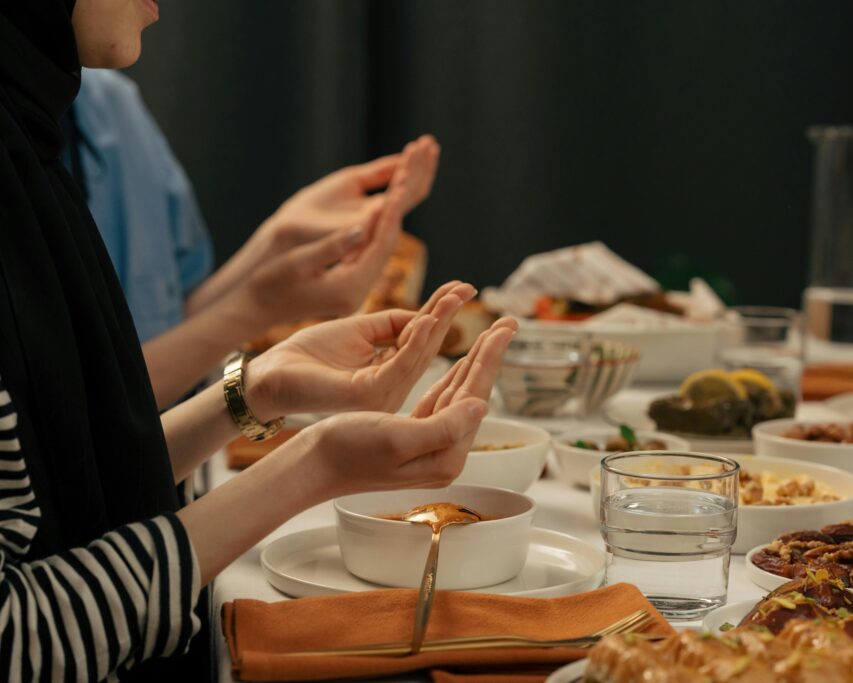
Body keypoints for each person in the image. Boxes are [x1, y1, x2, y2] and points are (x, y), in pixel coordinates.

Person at [0, 3, 516, 682]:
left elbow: (62, 494)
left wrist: (252, 392)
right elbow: (15, 635)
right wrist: (313, 464)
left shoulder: (26, 140)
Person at [65, 67, 442, 407]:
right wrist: (258, 309)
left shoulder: (113, 104)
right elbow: (79, 410)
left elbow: (169, 326)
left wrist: (280, 238)